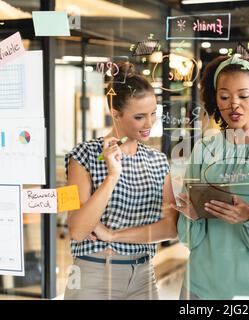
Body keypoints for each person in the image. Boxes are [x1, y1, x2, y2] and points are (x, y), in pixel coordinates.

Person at [173, 54, 249, 299]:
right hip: (200, 284)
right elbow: (188, 237)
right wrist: (191, 215)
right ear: (215, 99)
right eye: (225, 96)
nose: (234, 105)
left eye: (243, 95)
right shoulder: (204, 149)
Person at [64, 63, 178, 300]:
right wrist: (112, 175)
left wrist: (114, 236)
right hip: (94, 273)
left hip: (144, 275)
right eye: (139, 116)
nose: (149, 123)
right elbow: (78, 229)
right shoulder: (84, 156)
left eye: (153, 113)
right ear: (116, 114)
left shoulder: (157, 160)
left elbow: (169, 227)